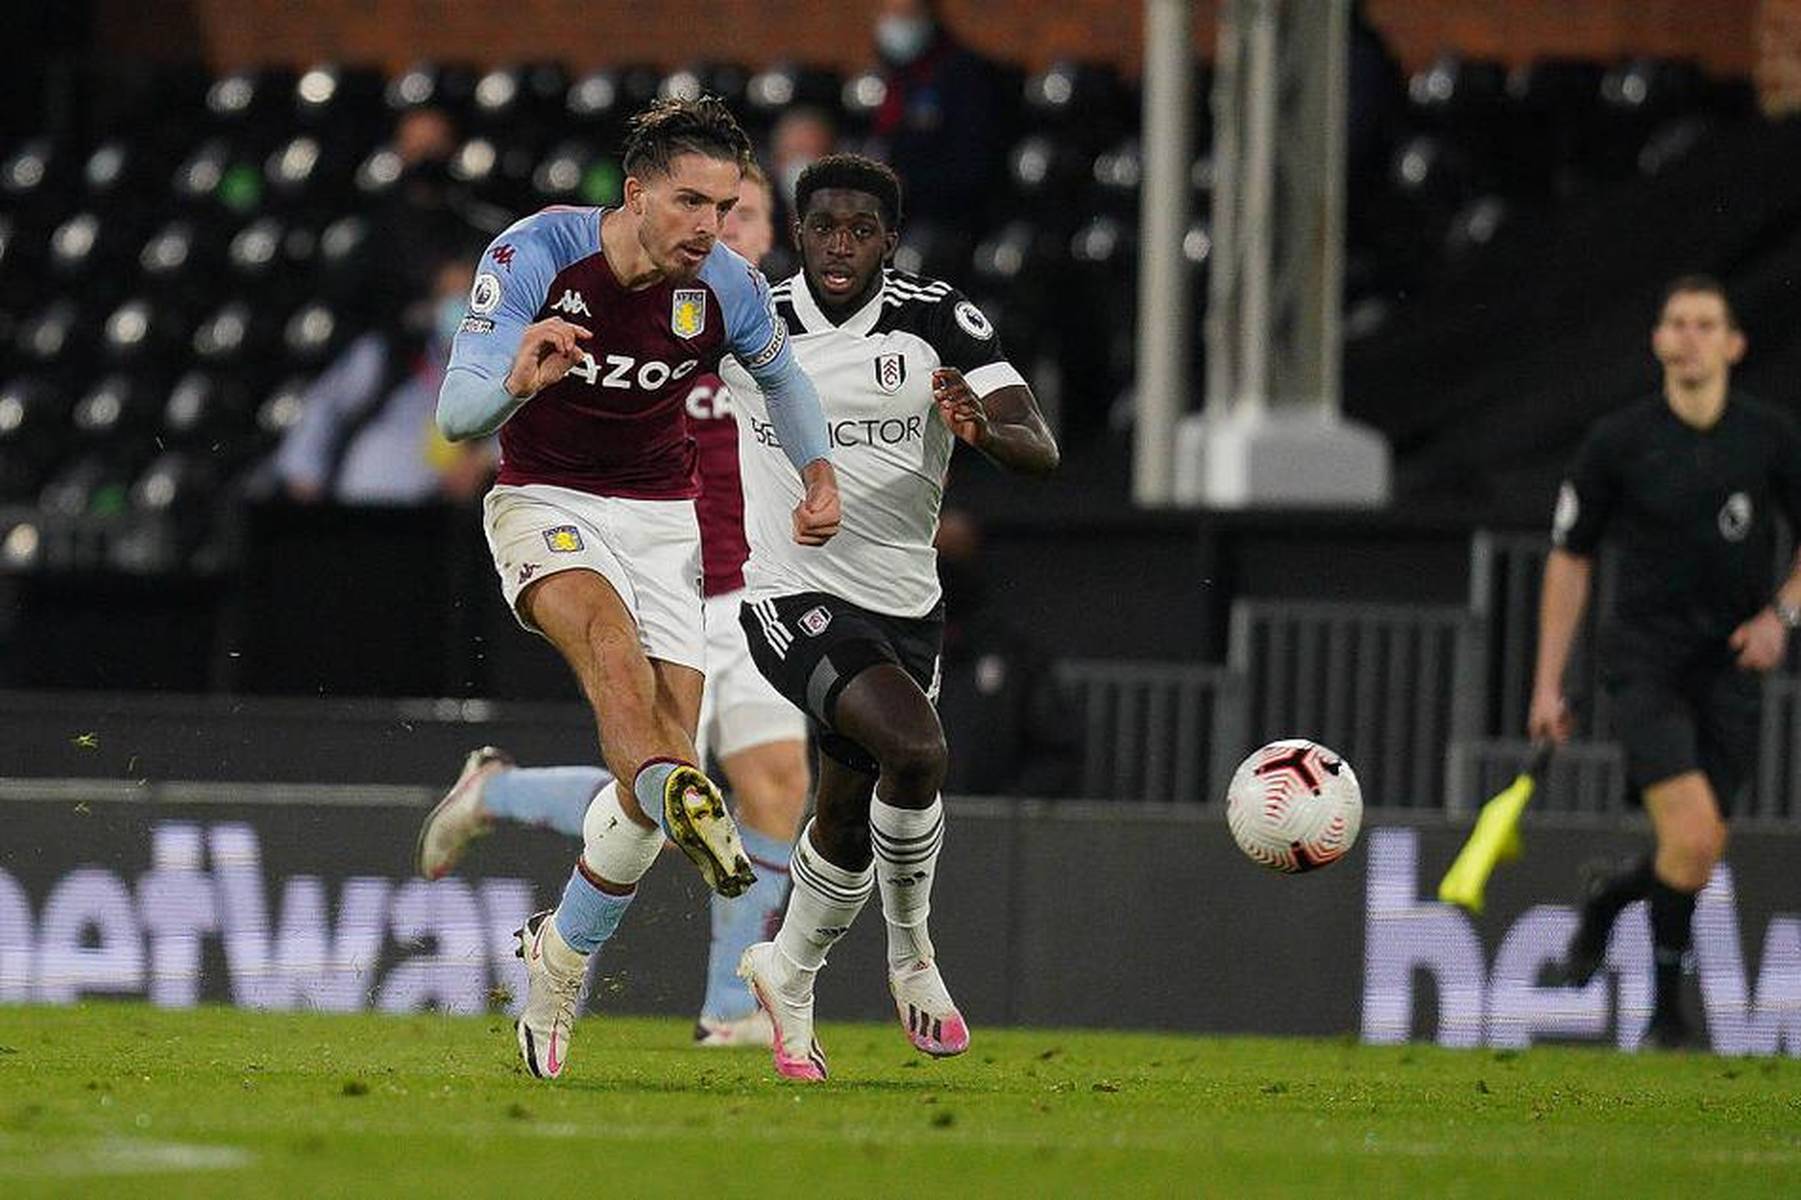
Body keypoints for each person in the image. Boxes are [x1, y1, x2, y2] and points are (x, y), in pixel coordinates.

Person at [435, 96, 841, 1080]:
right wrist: (518, 380)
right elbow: (456, 413)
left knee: (645, 788)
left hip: (663, 520)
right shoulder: (536, 254)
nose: (709, 226)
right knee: (612, 655)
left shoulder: (727, 286)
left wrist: (819, 474)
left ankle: (558, 956)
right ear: (636, 195)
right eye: (691, 203)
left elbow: (784, 381)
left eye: (726, 206)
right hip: (543, 499)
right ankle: (683, 803)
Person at [730, 154, 1059, 1082]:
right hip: (791, 596)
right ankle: (911, 954)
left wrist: (983, 431)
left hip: (906, 609)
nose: (840, 246)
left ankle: (787, 971)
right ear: (799, 233)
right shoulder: (753, 319)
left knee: (843, 822)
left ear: (890, 241)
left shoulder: (936, 318)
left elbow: (1038, 446)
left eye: (861, 230)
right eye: (823, 227)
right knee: (915, 751)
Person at [1531, 275, 1801, 1049]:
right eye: (1676, 323)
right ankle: (1664, 1019)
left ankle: (1611, 897)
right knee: (1689, 836)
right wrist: (1547, 683)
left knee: (1698, 845)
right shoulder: (1616, 441)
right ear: (1655, 341)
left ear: (1733, 344)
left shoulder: (1769, 438)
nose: (1689, 337)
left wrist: (1780, 617)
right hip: (1644, 660)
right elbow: (1569, 557)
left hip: (1730, 663)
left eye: (1705, 324)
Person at [273, 253, 495, 504]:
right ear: (433, 304)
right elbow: (323, 406)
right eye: (450, 298)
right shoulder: (387, 355)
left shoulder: (500, 373)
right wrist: (304, 476)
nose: (460, 307)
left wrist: (481, 461)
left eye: (469, 296)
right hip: (356, 502)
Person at [933, 507, 1078, 797]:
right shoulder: (895, 649)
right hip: (905, 816)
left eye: (957, 555)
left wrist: (1006, 809)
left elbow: (1056, 750)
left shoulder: (1016, 654)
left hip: (989, 817)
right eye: (938, 556)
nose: (946, 569)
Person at [866, 0, 1009, 232]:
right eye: (891, 13)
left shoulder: (963, 75)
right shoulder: (891, 79)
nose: (897, 23)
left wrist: (907, 183)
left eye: (907, 14)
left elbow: (972, 166)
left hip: (950, 224)